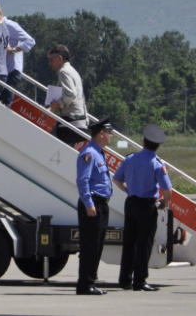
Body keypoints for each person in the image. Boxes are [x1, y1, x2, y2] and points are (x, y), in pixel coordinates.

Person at [113, 123, 171, 292]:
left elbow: (117, 179)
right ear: (158, 146)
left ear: (143, 142)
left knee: (129, 242)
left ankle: (125, 279)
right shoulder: (157, 164)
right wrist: (164, 202)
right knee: (144, 243)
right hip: (147, 205)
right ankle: (140, 280)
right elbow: (167, 190)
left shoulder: (130, 159)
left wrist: (128, 190)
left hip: (131, 203)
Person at [75, 116, 114, 295]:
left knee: (97, 245)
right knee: (90, 245)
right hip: (92, 204)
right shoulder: (89, 153)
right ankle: (85, 284)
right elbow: (82, 181)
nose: (111, 135)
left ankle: (91, 281)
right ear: (100, 134)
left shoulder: (98, 152)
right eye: (109, 132)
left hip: (101, 204)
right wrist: (88, 203)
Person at [46, 45, 88, 145]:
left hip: (72, 121)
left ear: (59, 58)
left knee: (49, 144)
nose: (49, 63)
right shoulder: (72, 71)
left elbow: (70, 94)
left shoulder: (63, 72)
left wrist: (55, 105)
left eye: (51, 59)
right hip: (80, 120)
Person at [0, 10, 35, 91]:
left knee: (5, 98)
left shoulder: (8, 25)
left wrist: (12, 50)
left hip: (11, 70)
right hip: (4, 71)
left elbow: (30, 41)